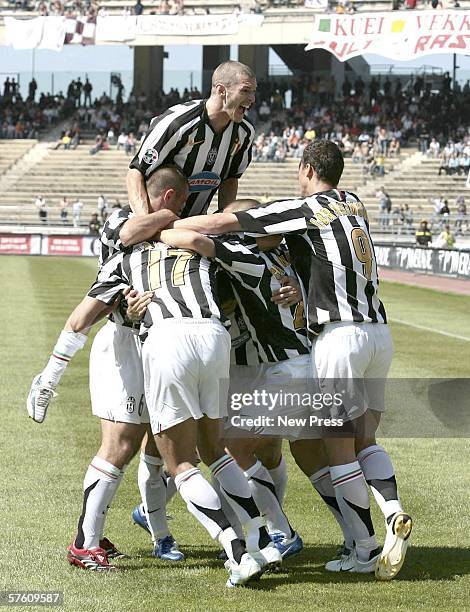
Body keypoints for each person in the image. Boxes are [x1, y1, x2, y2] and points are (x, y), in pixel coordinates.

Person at [173, 140, 413, 581]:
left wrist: (167, 225)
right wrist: (302, 290)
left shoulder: (300, 213)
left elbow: (230, 221)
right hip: (379, 331)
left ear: (306, 168)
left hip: (335, 342)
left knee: (314, 449)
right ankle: (389, 510)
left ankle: (347, 547)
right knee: (356, 444)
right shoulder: (353, 203)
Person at [86, 227, 283, 586]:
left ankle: (236, 551)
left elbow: (86, 315)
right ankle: (262, 539)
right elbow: (254, 261)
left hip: (168, 340)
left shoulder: (126, 257)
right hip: (214, 336)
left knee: (179, 463)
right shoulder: (197, 244)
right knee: (215, 451)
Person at [27, 167, 190, 570]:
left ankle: (95, 530)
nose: (183, 211)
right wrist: (51, 376)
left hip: (153, 343)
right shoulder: (121, 224)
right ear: (168, 197)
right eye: (180, 203)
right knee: (119, 445)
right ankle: (84, 543)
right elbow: (87, 309)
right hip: (124, 344)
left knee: (170, 441)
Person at [126, 60, 256, 218]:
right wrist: (145, 222)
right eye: (246, 91)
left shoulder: (245, 132)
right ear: (222, 90)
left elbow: (230, 180)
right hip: (155, 223)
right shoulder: (177, 123)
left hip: (192, 224)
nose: (252, 99)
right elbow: (136, 173)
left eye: (253, 92)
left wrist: (225, 224)